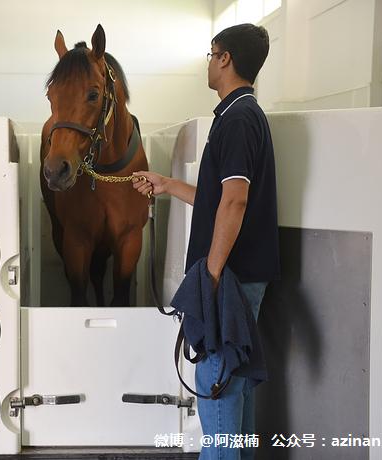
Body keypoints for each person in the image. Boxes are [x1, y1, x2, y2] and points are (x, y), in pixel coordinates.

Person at [133, 24, 280, 459]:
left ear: (225, 59)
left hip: (229, 277)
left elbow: (234, 204)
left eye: (211, 52)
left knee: (215, 389)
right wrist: (167, 184)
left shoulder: (237, 120)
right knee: (235, 387)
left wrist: (211, 278)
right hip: (241, 274)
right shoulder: (244, 115)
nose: (208, 61)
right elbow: (219, 199)